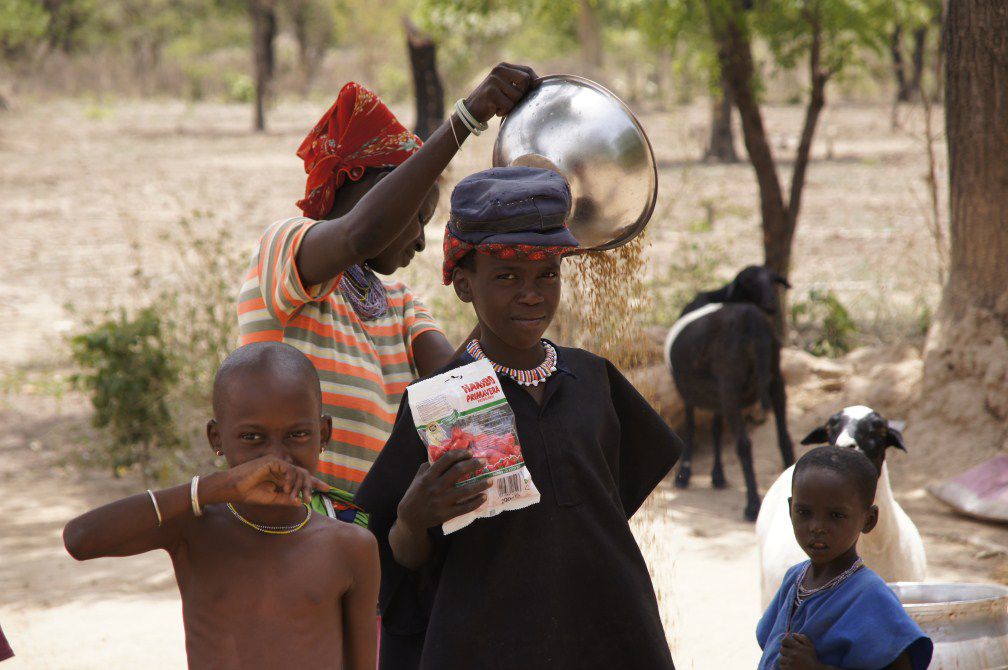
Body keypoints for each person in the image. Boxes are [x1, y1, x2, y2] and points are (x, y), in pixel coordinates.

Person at [355, 167, 682, 670]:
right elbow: (396, 558)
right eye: (507, 276)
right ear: (464, 284)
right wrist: (412, 520)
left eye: (546, 274)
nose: (531, 293)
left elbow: (605, 511)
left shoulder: (594, 381)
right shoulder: (438, 400)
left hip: (607, 633)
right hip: (485, 645)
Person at [236, 63, 538, 503]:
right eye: (416, 216)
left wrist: (513, 282)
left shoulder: (399, 304)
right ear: (367, 187)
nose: (419, 241)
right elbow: (361, 233)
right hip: (287, 521)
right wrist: (466, 119)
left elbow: (459, 390)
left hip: (360, 538)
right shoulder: (283, 251)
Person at [62, 342, 379, 670]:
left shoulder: (351, 545)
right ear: (217, 438)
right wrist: (211, 488)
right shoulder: (194, 526)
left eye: (297, 434)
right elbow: (80, 539)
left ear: (323, 434)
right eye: (252, 438)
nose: (275, 458)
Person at [757, 446, 933, 670]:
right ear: (791, 510)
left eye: (836, 516)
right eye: (804, 512)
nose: (817, 527)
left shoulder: (869, 595)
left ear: (868, 520)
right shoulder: (795, 578)